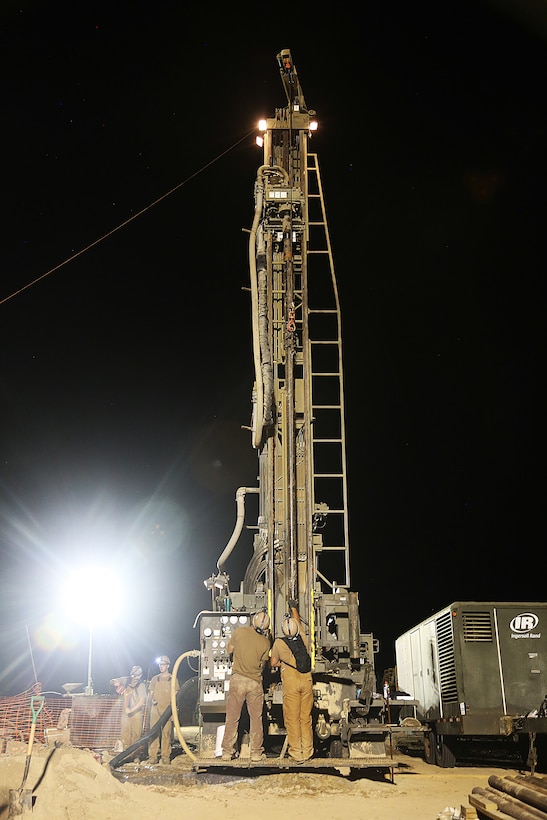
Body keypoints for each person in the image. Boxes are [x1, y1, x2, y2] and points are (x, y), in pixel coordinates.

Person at [221, 610, 271, 761]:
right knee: (256, 719)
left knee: (232, 717)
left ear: (253, 620)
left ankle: (227, 752)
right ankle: (256, 753)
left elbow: (229, 650)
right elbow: (263, 665)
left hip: (238, 680)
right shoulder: (265, 642)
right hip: (255, 683)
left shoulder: (239, 632)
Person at [270, 601, 314, 763]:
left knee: (292, 718)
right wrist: (294, 608)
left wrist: (284, 662)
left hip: (291, 683)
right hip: (307, 680)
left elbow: (273, 663)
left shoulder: (279, 643)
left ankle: (297, 754)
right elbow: (299, 625)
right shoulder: (303, 639)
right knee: (305, 718)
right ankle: (308, 752)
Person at [146, 655, 180, 765]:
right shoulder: (155, 679)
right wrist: (152, 701)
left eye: (163, 664)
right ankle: (153, 756)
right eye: (160, 665)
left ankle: (165, 757)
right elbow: (150, 694)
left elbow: (175, 696)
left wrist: (174, 713)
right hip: (155, 710)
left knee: (166, 733)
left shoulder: (173, 679)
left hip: (167, 710)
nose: (161, 666)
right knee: (154, 733)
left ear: (168, 666)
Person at [112, 665, 147, 753]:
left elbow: (142, 701)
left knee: (136, 734)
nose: (134, 678)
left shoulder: (141, 685)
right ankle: (126, 752)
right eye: (133, 675)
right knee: (125, 732)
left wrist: (131, 710)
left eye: (136, 676)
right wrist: (117, 684)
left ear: (140, 675)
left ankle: (135, 755)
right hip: (126, 712)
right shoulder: (126, 680)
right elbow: (113, 681)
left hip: (136, 713)